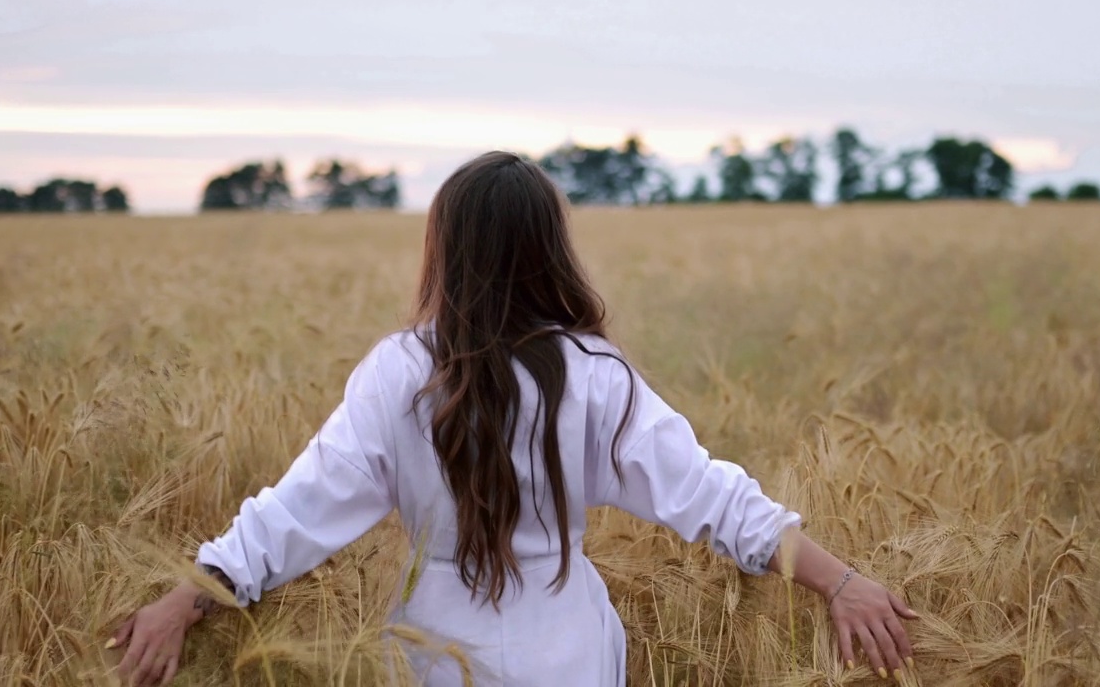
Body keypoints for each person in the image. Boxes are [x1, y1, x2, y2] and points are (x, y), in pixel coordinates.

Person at [109, 151, 918, 686]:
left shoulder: (400, 372)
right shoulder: (595, 375)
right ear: (549, 247)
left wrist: (185, 599)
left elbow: (299, 509)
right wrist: (842, 583)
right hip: (569, 654)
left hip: (435, 655)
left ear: (444, 250)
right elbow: (713, 499)